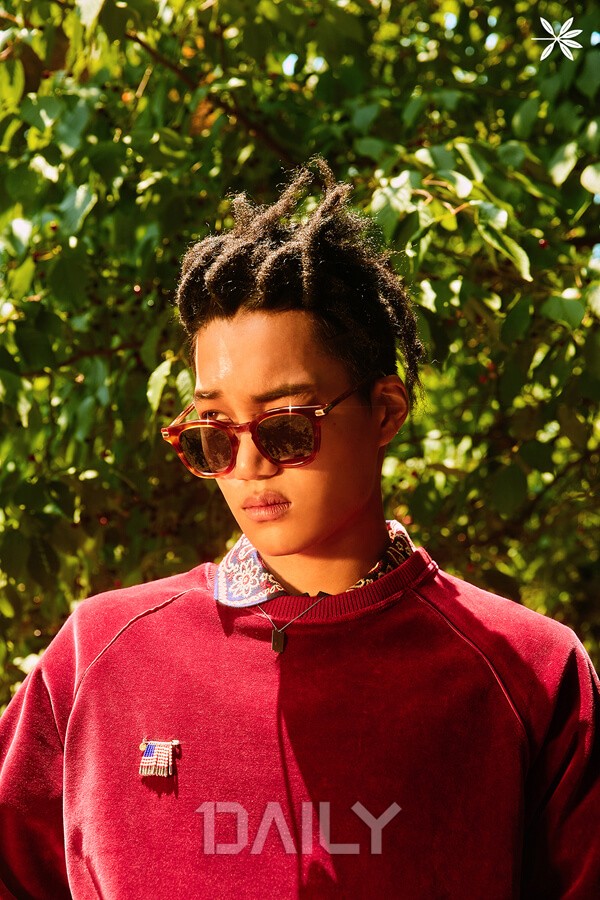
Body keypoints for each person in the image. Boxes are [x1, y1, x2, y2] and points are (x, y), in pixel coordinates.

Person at [0, 159, 598, 899]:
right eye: (214, 432)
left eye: (286, 426)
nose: (248, 464)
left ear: (385, 412)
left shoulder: (529, 673)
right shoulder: (99, 657)